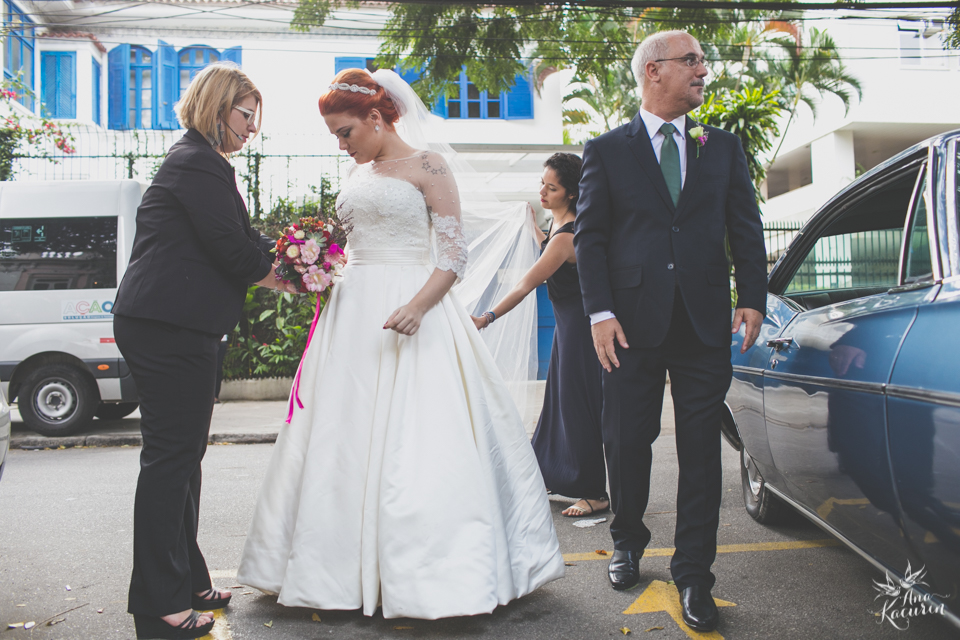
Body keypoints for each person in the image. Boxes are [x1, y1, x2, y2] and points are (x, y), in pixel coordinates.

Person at [236, 68, 565, 620]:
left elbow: (454, 255)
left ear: (376, 117)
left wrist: (417, 305)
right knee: (339, 434)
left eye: (345, 132)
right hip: (350, 310)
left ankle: (432, 572)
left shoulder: (429, 166)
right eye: (335, 135)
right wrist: (318, 264)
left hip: (415, 305)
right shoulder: (360, 171)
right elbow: (354, 240)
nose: (342, 144)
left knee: (423, 437)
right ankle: (330, 567)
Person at [574, 31, 767, 632]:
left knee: (701, 452)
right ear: (653, 71)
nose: (703, 70)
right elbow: (591, 237)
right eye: (692, 61)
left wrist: (753, 298)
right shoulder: (606, 149)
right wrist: (600, 312)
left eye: (702, 61)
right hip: (629, 325)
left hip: (705, 322)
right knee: (627, 441)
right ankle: (628, 540)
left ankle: (693, 574)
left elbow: (746, 225)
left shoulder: (723, 147)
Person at [112, 62, 295, 640]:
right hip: (168, 328)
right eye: (247, 115)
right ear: (219, 108)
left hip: (179, 327)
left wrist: (302, 250)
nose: (252, 128)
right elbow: (231, 250)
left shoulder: (202, 163)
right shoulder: (196, 163)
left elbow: (243, 237)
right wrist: (294, 278)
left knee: (183, 458)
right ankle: (158, 603)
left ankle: (187, 579)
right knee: (170, 462)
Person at [471, 153, 606, 518]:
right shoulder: (560, 232)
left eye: (552, 187)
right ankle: (555, 474)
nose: (543, 191)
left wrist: (487, 316)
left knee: (577, 409)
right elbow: (548, 241)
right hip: (568, 331)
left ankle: (595, 492)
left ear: (573, 194)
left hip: (579, 333)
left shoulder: (567, 238)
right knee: (558, 408)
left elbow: (526, 283)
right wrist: (532, 225)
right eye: (542, 184)